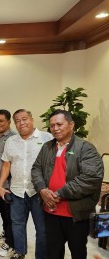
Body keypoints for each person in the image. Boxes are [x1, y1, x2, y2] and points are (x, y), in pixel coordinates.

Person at [31, 109, 104, 259]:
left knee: (78, 252)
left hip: (75, 215)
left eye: (59, 124)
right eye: (52, 126)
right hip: (50, 212)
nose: (55, 128)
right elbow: (36, 169)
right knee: (53, 251)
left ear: (71, 125)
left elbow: (90, 178)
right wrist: (42, 190)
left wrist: (59, 193)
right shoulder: (47, 147)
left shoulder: (86, 148)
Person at [0, 109, 53, 259]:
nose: (21, 123)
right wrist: (0, 185)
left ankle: (41, 256)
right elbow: (6, 165)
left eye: (24, 119)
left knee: (42, 228)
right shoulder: (11, 141)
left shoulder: (47, 138)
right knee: (17, 225)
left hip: (39, 192)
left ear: (32, 119)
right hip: (17, 191)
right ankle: (20, 251)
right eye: (17, 121)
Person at [0, 109, 16, 257]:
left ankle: (10, 242)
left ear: (8, 122)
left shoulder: (14, 138)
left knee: (10, 215)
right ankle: (6, 232)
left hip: (8, 185)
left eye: (1, 121)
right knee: (2, 212)